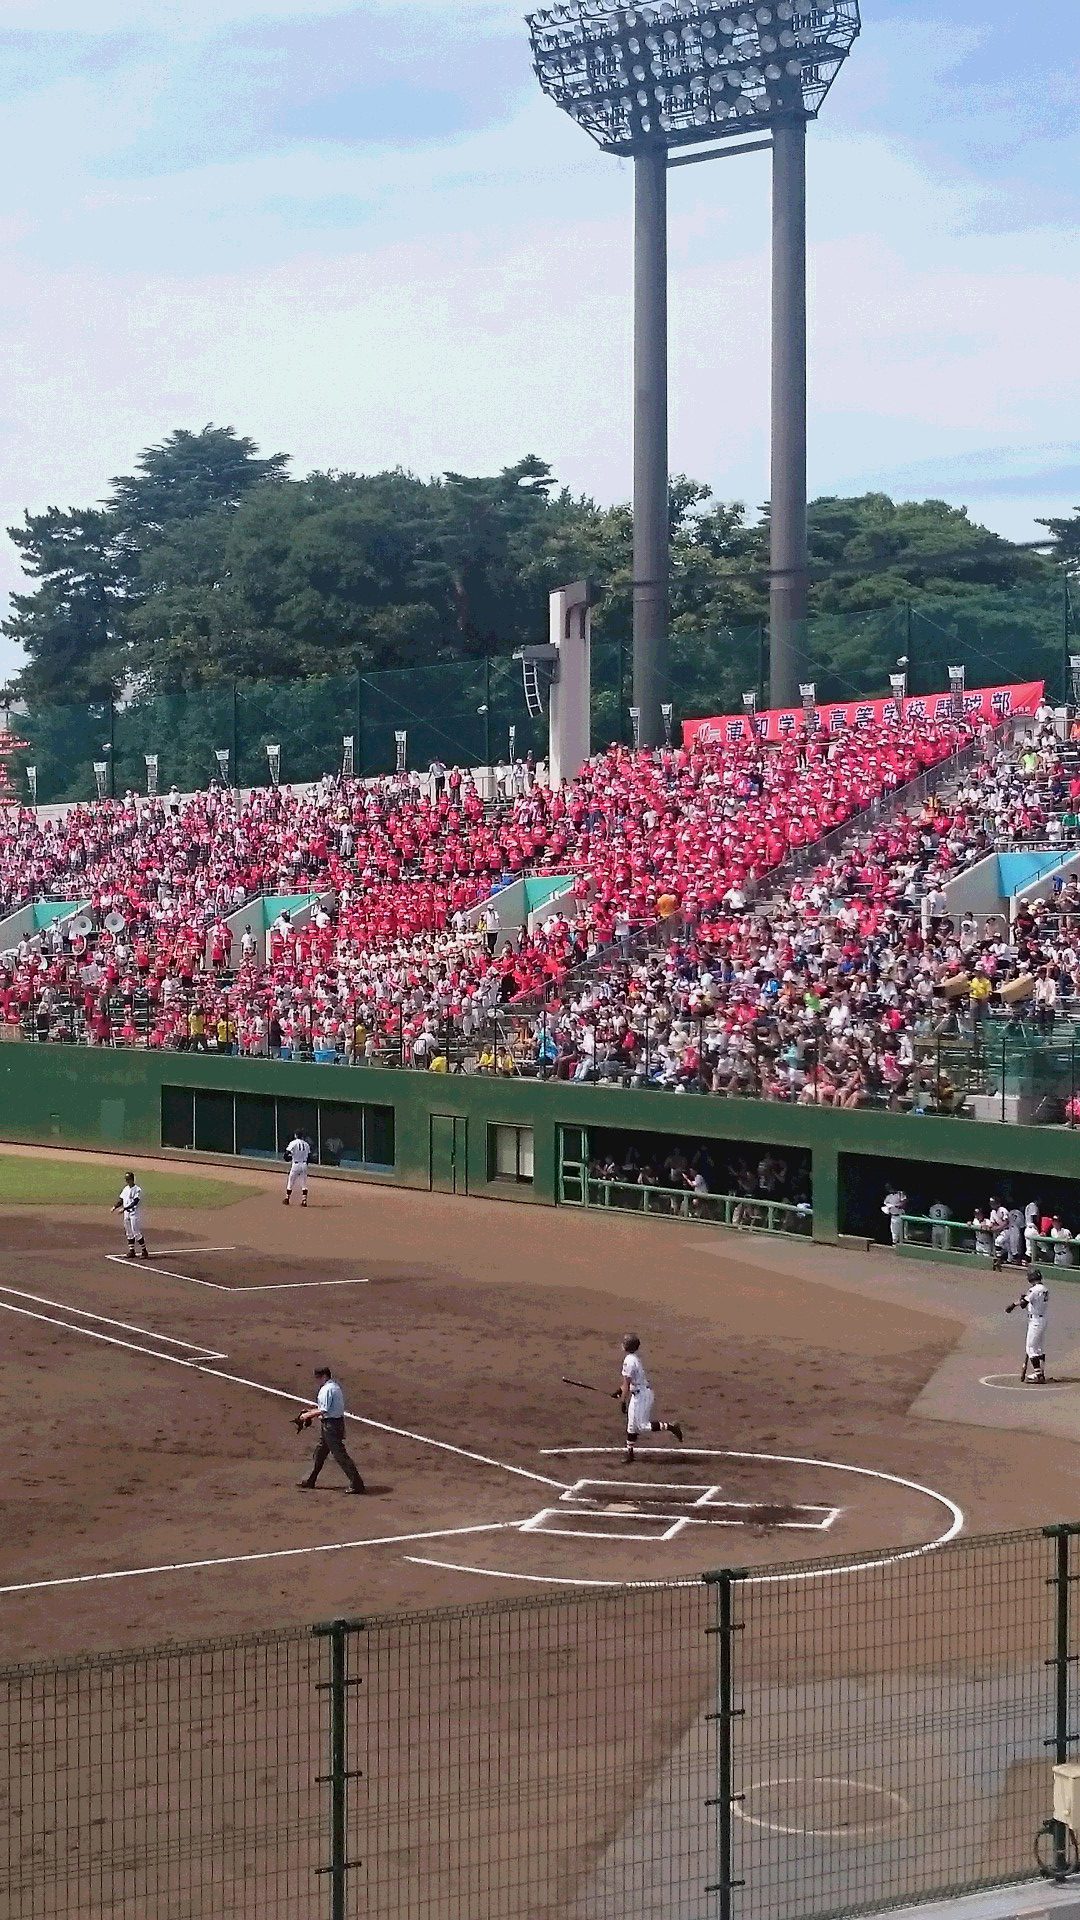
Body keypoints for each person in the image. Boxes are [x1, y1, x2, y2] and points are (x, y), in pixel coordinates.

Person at [296, 1367, 366, 1492]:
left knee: (340, 1455)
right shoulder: (334, 1386)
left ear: (324, 1376)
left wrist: (306, 1415)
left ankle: (357, 1484)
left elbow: (324, 1410)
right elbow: (325, 1407)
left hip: (331, 1426)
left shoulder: (327, 1389)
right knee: (320, 1452)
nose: (316, 1380)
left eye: (318, 1377)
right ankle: (310, 1479)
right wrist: (311, 1411)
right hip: (332, 1424)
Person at [618, 1334, 683, 1467]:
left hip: (642, 1396)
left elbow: (627, 1383)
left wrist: (622, 1400)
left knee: (642, 1426)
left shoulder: (629, 1361)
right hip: (639, 1394)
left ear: (627, 1346)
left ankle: (671, 1426)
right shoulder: (632, 1358)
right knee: (631, 1425)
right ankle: (630, 1453)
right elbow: (628, 1383)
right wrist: (619, 1391)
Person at [1007, 1270, 1049, 1385]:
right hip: (1042, 1319)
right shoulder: (1044, 1289)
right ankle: (1041, 1372)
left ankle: (1038, 1375)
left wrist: (1013, 1305)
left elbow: (1023, 1303)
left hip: (1035, 1321)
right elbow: (1029, 1301)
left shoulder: (1034, 1289)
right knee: (1039, 1348)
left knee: (1030, 1348)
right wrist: (1025, 1298)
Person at [111, 1170, 149, 1259]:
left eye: (128, 1179)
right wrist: (115, 1207)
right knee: (129, 1232)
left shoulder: (137, 1189)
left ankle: (144, 1251)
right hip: (126, 1214)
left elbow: (135, 1202)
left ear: (132, 1179)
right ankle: (132, 1251)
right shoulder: (126, 1189)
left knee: (136, 1232)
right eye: (126, 1179)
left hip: (134, 1213)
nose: (127, 1181)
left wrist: (124, 1208)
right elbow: (121, 1200)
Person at [283, 1131, 311, 1206]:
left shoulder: (293, 1143)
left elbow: (286, 1155)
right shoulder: (306, 1144)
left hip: (295, 1164)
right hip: (304, 1164)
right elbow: (309, 1157)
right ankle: (304, 1200)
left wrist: (289, 1158)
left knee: (291, 1181)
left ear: (296, 1135)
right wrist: (305, 1165)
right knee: (303, 1183)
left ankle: (287, 1198)